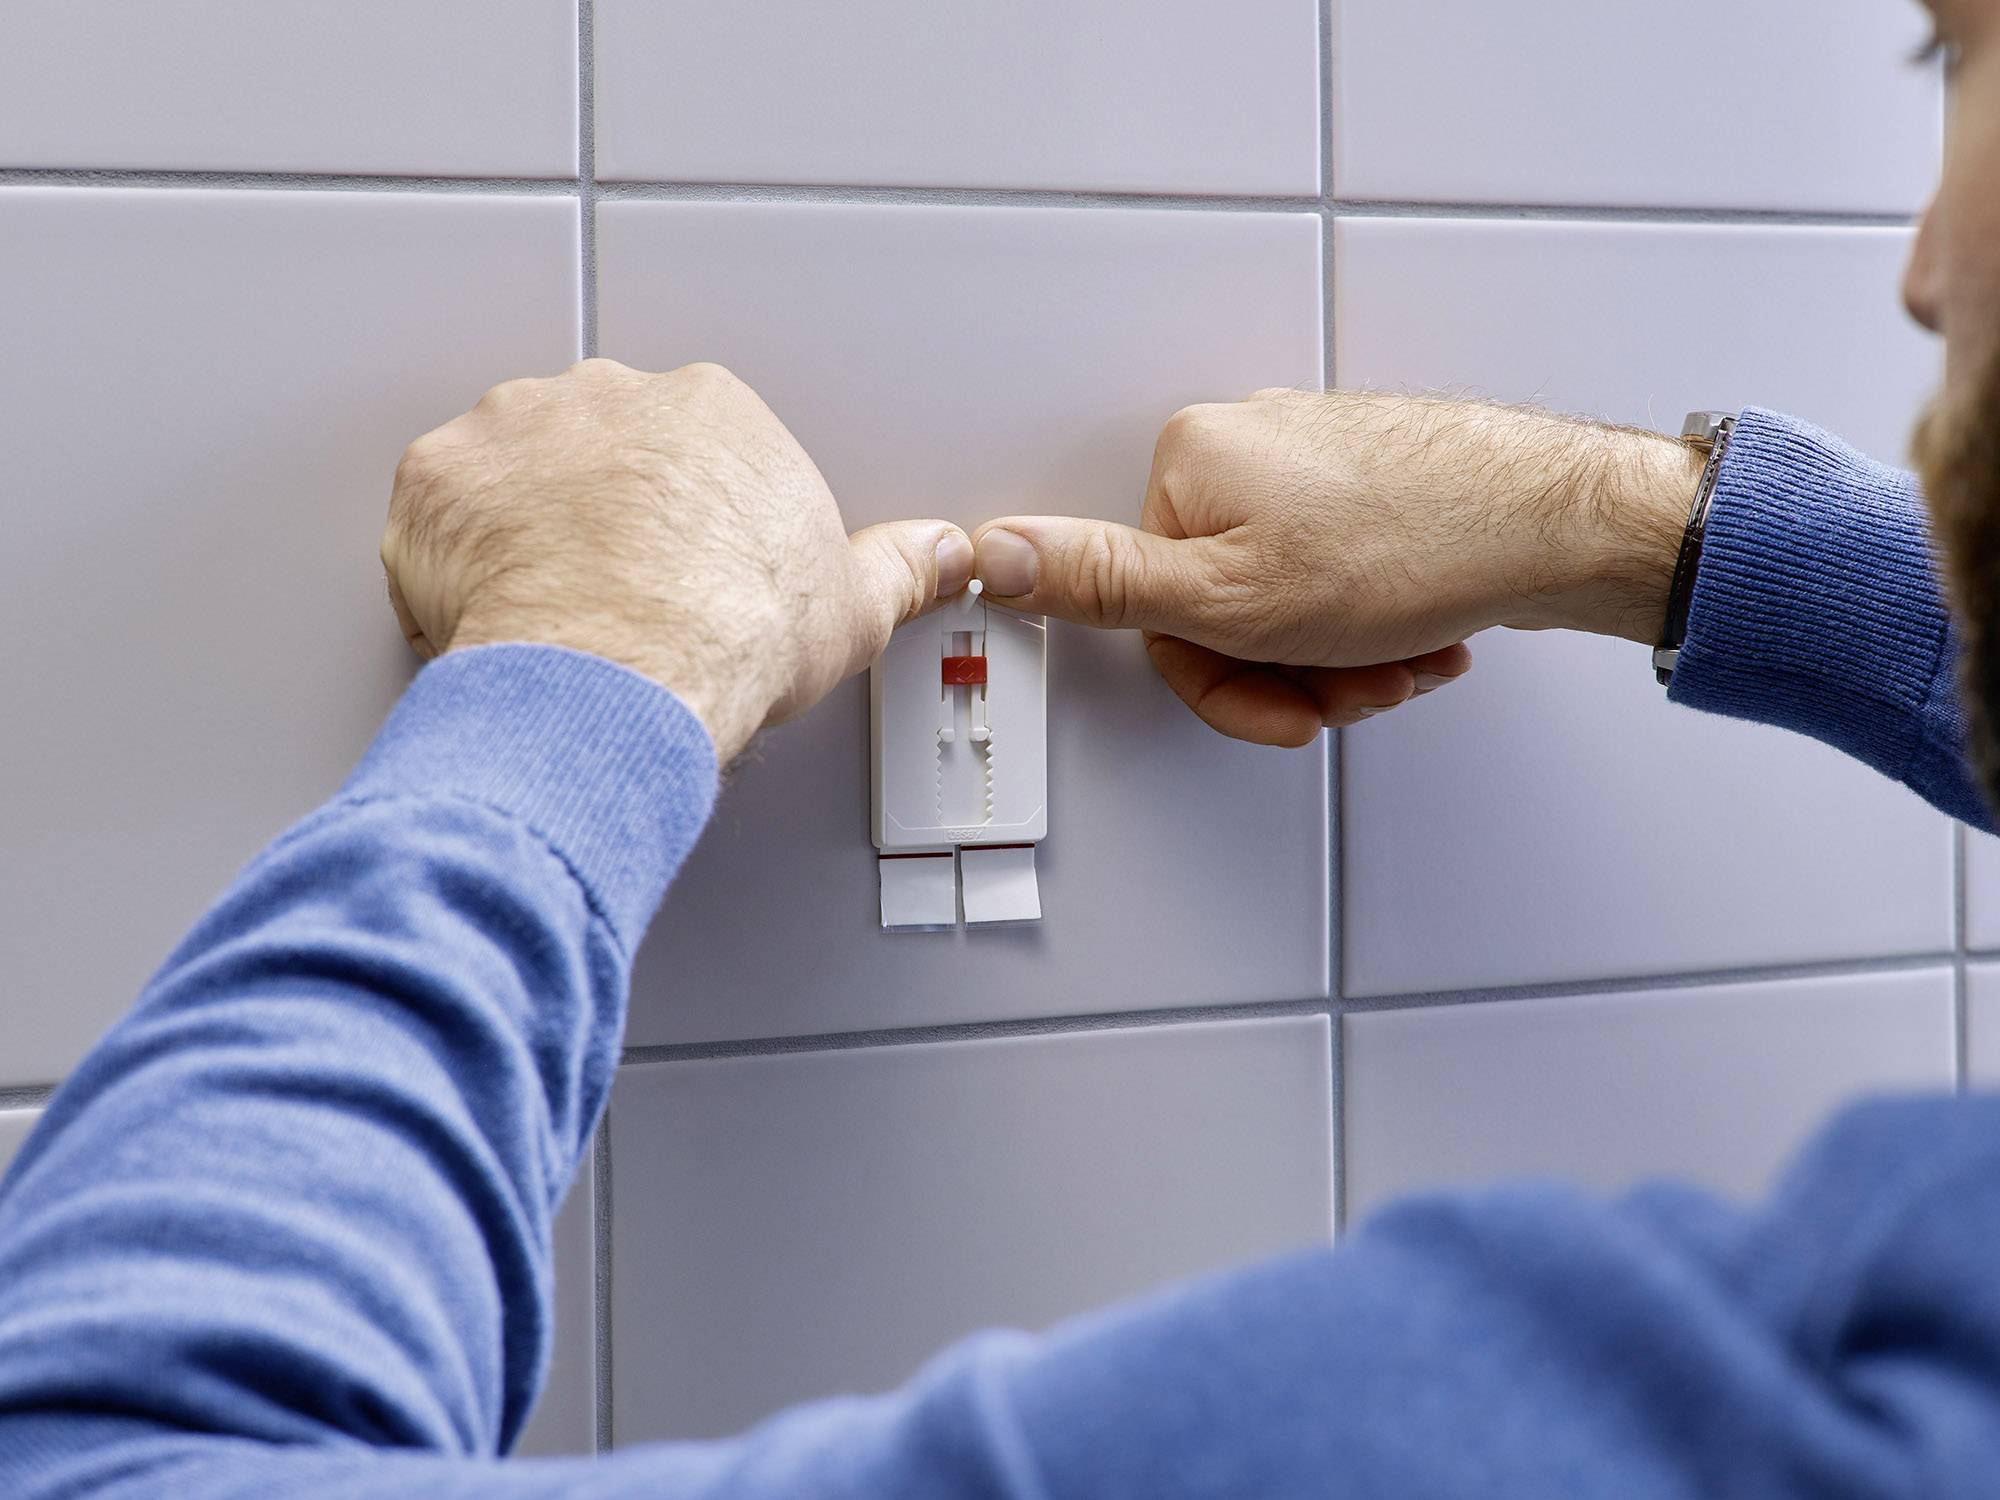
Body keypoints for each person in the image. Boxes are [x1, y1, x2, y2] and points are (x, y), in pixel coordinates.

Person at [0, 8, 1993, 1497]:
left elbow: (118, 1450)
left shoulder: (1825, 1412)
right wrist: (1639, 526)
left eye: (1958, 67)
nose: (1917, 263)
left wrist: (587, 662)